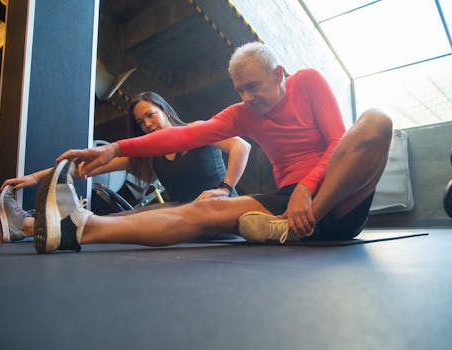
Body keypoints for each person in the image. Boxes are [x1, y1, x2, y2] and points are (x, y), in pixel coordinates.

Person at [34, 41, 393, 254]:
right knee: (199, 213)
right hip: (284, 203)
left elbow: (336, 141)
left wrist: (306, 190)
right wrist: (115, 148)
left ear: (279, 74)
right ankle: (79, 229)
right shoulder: (242, 114)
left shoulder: (309, 83)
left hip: (338, 201)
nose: (247, 97)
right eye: (240, 90)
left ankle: (296, 226)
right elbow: (182, 135)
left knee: (377, 121)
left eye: (254, 86)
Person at [0, 92, 250, 243]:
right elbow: (87, 167)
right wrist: (34, 177)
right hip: (184, 217)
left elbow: (241, 146)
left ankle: (25, 225)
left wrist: (225, 189)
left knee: (125, 220)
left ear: (164, 108)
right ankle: (27, 226)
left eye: (151, 115)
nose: (147, 124)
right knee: (114, 219)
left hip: (221, 216)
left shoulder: (197, 130)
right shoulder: (148, 154)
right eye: (141, 122)